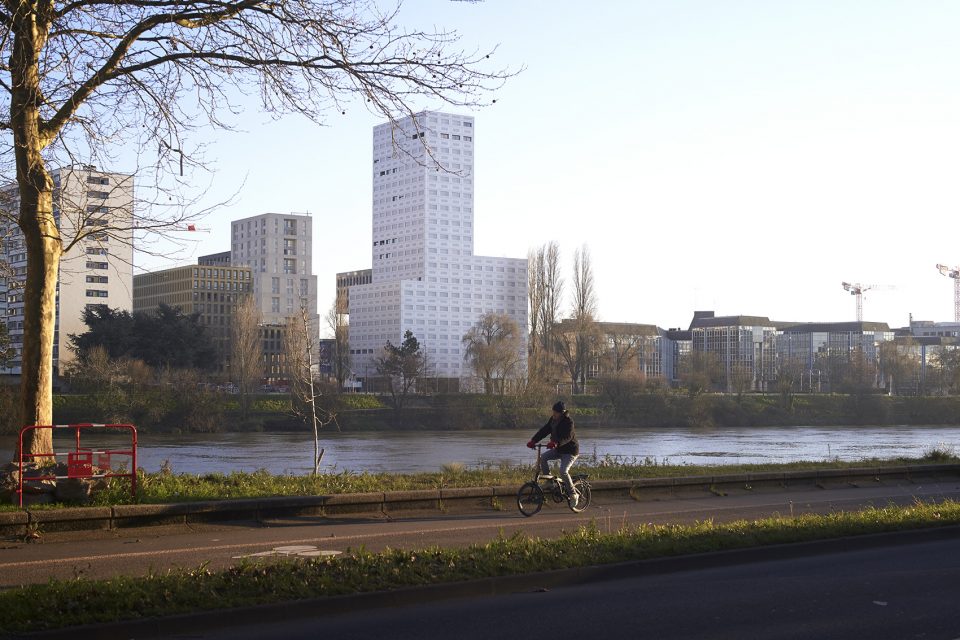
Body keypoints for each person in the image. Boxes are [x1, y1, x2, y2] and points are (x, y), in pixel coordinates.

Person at [527, 400, 580, 503]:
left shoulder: (569, 422)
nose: (553, 414)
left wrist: (556, 443)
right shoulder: (553, 420)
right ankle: (549, 482)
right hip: (558, 449)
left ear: (562, 413)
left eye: (555, 412)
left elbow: (567, 437)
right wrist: (533, 440)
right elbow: (544, 430)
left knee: (563, 471)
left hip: (570, 451)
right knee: (542, 458)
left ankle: (573, 494)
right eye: (553, 412)